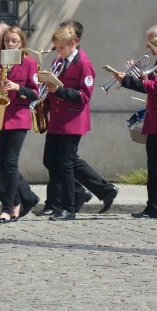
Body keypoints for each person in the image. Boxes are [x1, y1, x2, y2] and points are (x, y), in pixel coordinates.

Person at [115, 24, 157, 219]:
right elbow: (151, 80)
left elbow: (156, 86)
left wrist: (127, 81)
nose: (147, 46)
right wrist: (135, 74)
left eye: (150, 41)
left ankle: (156, 207)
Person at [0, 26, 40, 223]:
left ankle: (8, 207)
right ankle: (16, 201)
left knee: (10, 162)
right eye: (7, 41)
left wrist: (17, 87)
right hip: (0, 116)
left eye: (14, 41)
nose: (10, 44)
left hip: (19, 116)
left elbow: (35, 93)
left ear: (21, 42)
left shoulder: (29, 63)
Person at [41, 26, 97, 221]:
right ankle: (76, 193)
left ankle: (69, 207)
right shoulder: (60, 60)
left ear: (74, 43)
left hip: (72, 120)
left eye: (61, 48)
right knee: (49, 160)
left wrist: (59, 90)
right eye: (56, 48)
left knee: (65, 164)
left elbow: (84, 96)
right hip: (57, 119)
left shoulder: (84, 64)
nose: (58, 52)